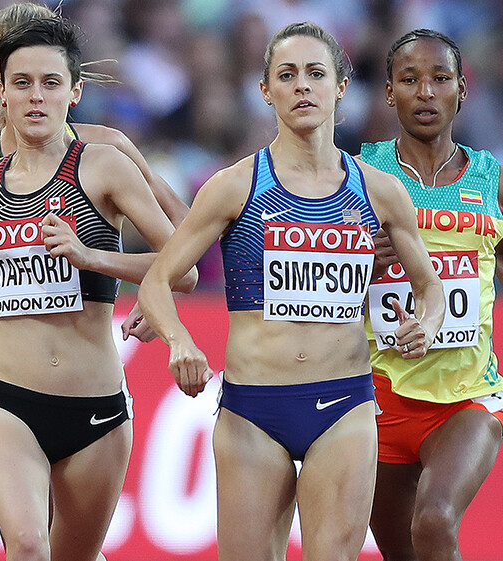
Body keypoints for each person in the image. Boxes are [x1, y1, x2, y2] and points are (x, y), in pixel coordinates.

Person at [0, 17, 195, 561]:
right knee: (28, 545)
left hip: (95, 405)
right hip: (4, 395)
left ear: (75, 92)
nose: (35, 96)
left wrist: (91, 258)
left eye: (51, 83)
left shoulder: (106, 162)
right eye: (22, 82)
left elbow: (182, 267)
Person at [137, 22, 446, 561]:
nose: (302, 85)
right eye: (287, 74)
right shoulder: (234, 186)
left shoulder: (380, 191)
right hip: (253, 410)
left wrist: (426, 324)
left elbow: (431, 288)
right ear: (265, 90)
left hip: (344, 405)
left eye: (315, 73)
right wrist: (179, 341)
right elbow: (158, 281)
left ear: (341, 86)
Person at [0, 2, 191, 342]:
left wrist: (157, 291)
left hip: (85, 350)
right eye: (15, 66)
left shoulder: (107, 146)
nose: (34, 88)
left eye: (48, 75)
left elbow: (184, 226)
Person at [362, 29, 503, 561]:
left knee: (436, 520)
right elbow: (319, 279)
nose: (425, 92)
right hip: (379, 396)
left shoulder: (492, 178)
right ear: (389, 92)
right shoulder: (361, 174)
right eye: (410, 79)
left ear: (461, 88)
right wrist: (362, 262)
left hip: (468, 396)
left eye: (440, 78)